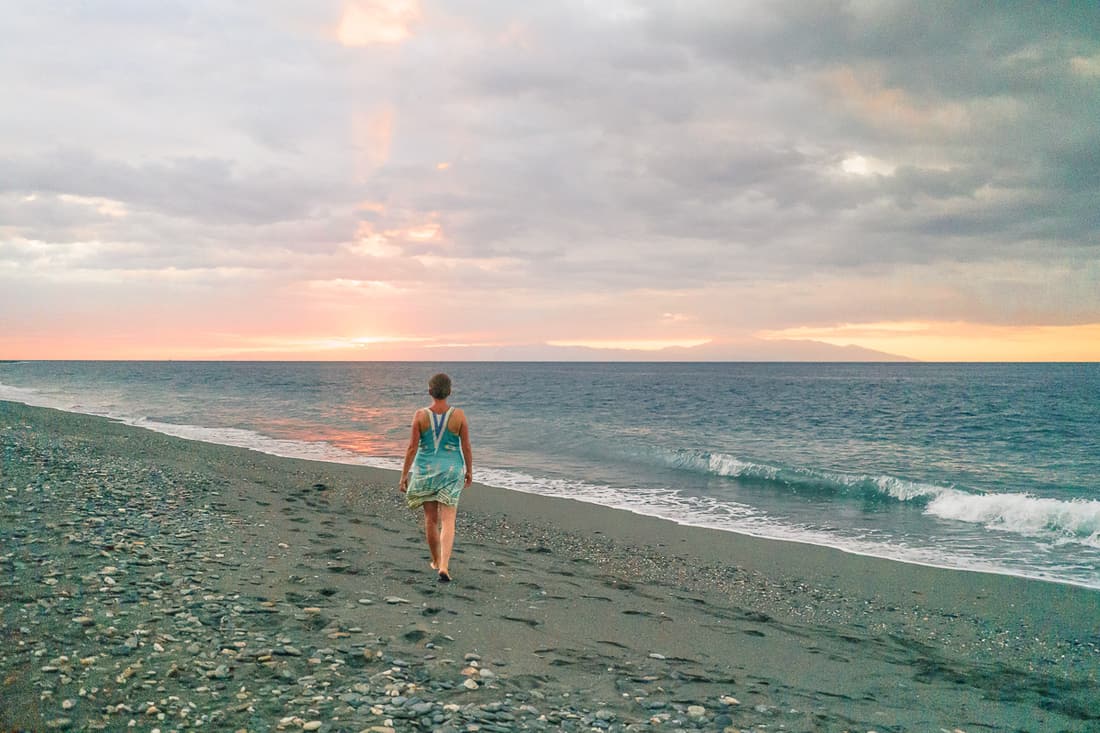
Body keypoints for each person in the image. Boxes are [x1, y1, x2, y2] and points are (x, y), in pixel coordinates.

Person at [399, 373, 472, 582]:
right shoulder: (459, 415)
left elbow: (412, 447)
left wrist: (404, 474)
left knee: (431, 519)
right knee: (449, 521)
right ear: (449, 391)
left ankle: (436, 560)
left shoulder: (420, 415)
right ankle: (445, 566)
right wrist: (469, 470)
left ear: (430, 391)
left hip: (426, 470)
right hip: (451, 470)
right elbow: (466, 446)